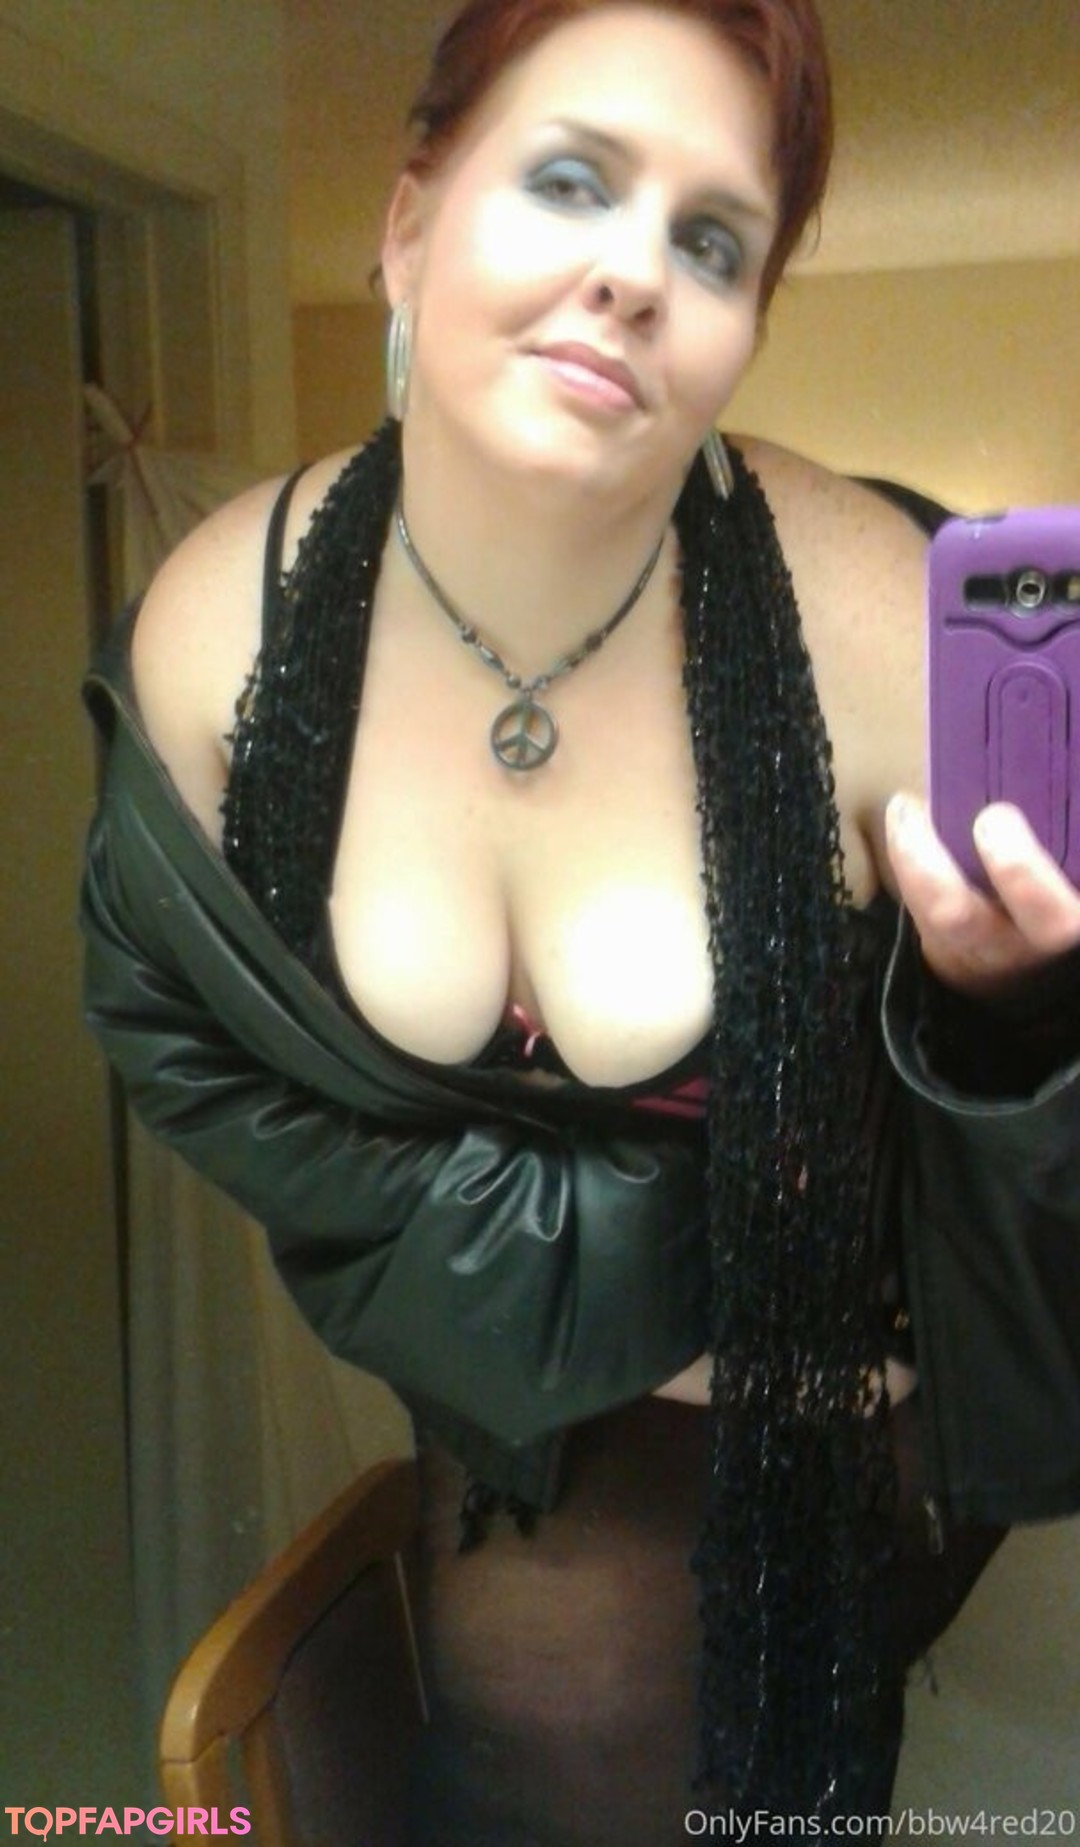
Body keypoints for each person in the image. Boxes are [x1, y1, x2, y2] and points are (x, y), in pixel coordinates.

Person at [80, 0, 1080, 1836]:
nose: (632, 272)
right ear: (407, 225)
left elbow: (1028, 1174)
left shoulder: (872, 623)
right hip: (491, 1400)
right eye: (568, 181)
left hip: (833, 1393)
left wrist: (1004, 1003)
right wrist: (542, 1313)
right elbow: (192, 1054)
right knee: (535, 1697)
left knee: (598, 1691)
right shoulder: (227, 633)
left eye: (712, 242)